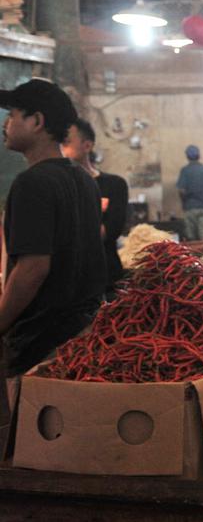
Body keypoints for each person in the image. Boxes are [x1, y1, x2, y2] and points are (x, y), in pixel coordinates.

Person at [0, 78, 107, 377]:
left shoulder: (31, 183)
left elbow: (33, 269)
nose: (6, 124)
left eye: (13, 116)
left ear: (36, 121)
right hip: (84, 338)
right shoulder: (85, 181)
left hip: (42, 345)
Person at [61, 118, 128, 294]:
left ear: (87, 145)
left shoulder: (114, 184)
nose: (62, 148)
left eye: (67, 142)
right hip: (69, 280)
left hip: (106, 276)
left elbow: (111, 230)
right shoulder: (58, 187)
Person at [176, 144, 203, 240]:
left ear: (187, 156)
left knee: (192, 240)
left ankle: (193, 255)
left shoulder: (185, 171)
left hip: (190, 208)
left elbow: (181, 190)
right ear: (199, 156)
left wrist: (184, 202)